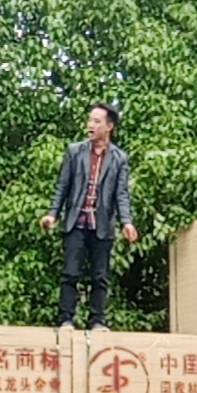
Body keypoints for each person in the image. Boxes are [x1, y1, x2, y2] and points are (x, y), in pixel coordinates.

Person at [41, 102, 138, 331]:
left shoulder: (119, 158)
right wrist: (52, 214)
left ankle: (97, 321)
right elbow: (62, 186)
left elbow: (121, 193)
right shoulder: (74, 151)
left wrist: (127, 222)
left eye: (96, 121)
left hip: (102, 224)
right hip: (76, 221)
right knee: (70, 273)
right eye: (90, 120)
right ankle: (66, 319)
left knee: (100, 276)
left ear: (109, 126)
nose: (90, 125)